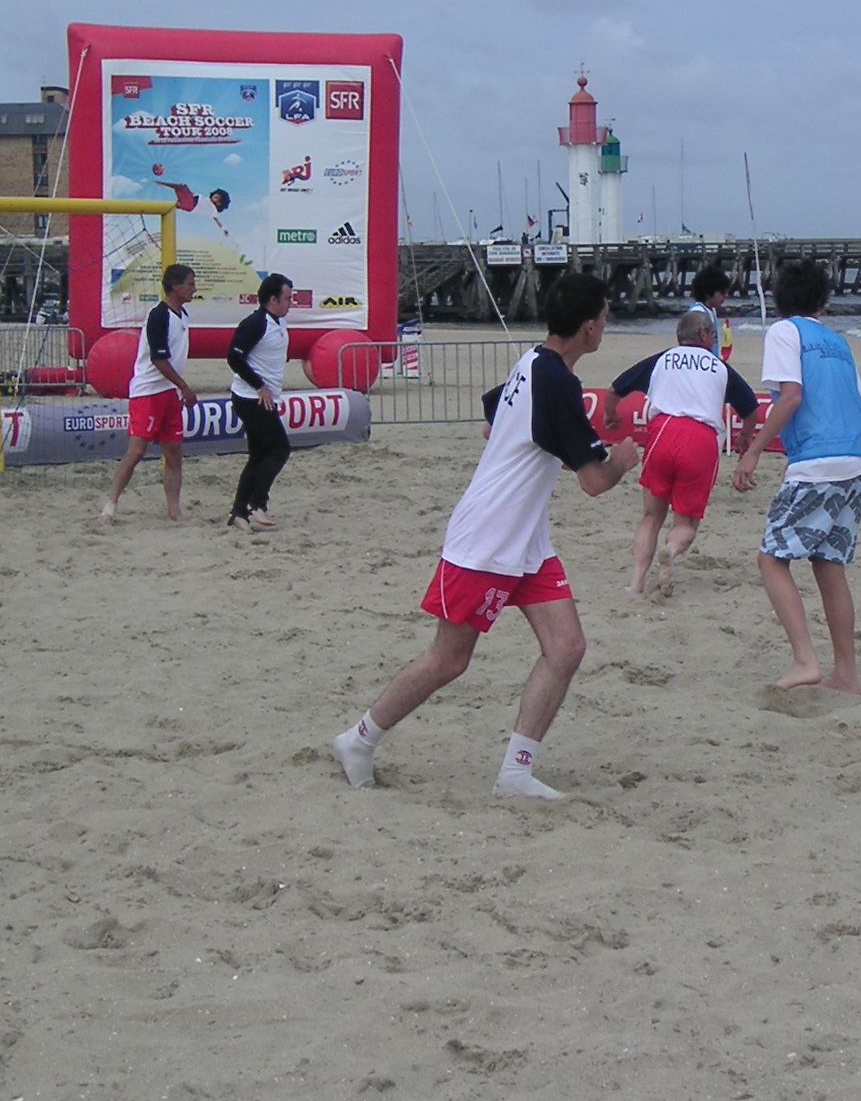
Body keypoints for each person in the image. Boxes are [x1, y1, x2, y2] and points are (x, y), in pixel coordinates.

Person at [333, 274, 642, 800]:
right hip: (487, 539)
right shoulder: (556, 381)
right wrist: (622, 459)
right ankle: (359, 739)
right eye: (607, 316)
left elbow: (492, 418)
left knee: (566, 648)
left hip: (526, 541)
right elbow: (594, 482)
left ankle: (516, 772)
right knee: (449, 660)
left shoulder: (535, 362)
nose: (606, 324)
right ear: (590, 326)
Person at [730, 260, 861, 692]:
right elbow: (860, 401)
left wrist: (752, 451)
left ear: (779, 299)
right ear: (823, 301)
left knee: (771, 558)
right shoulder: (837, 342)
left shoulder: (784, 331)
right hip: (856, 460)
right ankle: (844, 674)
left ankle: (805, 660)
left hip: (817, 462)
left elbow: (790, 397)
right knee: (829, 566)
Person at [603, 312, 763, 596]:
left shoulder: (663, 359)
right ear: (703, 335)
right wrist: (744, 437)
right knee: (686, 523)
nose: (714, 340)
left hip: (663, 430)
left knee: (651, 516)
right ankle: (671, 550)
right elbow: (751, 408)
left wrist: (611, 415)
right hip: (701, 437)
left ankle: (637, 582)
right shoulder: (720, 367)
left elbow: (615, 389)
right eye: (713, 335)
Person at [101, 264, 198, 523]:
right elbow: (158, 359)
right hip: (148, 392)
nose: (193, 289)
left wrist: (178, 388)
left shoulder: (182, 314)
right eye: (189, 284)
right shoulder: (159, 315)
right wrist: (184, 386)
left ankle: (174, 510)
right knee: (136, 451)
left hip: (169, 393)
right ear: (176, 286)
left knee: (174, 452)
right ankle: (110, 505)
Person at [225, 273, 295, 532]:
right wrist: (260, 385)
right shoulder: (256, 322)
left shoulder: (278, 323)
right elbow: (234, 356)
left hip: (266, 397)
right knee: (280, 449)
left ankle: (239, 511)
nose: (291, 303)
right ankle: (257, 503)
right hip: (249, 397)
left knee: (258, 456)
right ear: (273, 299)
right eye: (287, 298)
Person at [686, 264, 736, 363]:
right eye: (722, 292)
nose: (726, 295)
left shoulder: (711, 311)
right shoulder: (697, 313)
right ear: (708, 292)